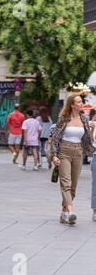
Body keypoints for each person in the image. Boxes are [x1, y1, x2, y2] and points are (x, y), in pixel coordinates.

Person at [51, 94, 94, 225]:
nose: (81, 104)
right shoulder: (63, 119)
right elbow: (55, 138)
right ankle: (71, 211)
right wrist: (54, 155)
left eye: (81, 101)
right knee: (66, 183)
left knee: (73, 185)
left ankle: (64, 212)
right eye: (79, 102)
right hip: (64, 150)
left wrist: (91, 131)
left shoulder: (84, 119)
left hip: (78, 152)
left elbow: (88, 139)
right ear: (72, 105)